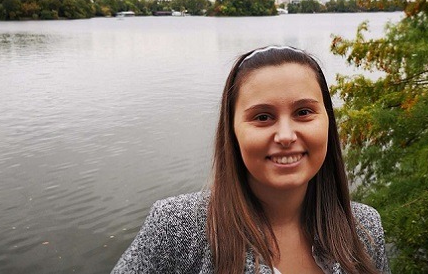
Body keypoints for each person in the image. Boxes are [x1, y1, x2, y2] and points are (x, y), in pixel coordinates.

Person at [112, 46, 391, 274]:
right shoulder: (175, 228)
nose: (285, 135)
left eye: (304, 112)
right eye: (262, 117)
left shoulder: (364, 228)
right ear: (232, 132)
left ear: (328, 122)